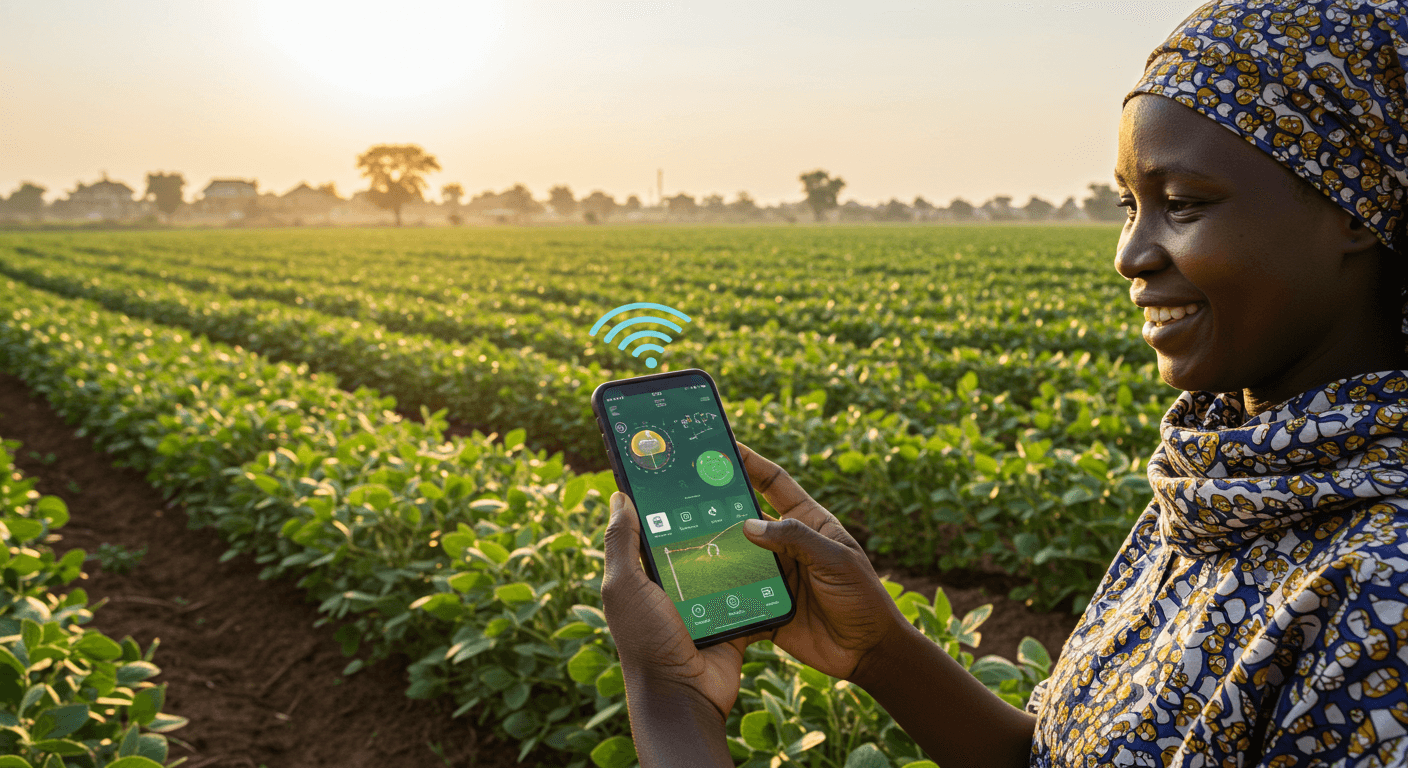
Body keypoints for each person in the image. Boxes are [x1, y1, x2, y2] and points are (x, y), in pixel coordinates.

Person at [601, 1, 1408, 765]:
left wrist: (672, 698)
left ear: (1357, 210)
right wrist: (880, 649)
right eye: (1128, 204)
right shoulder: (1230, 471)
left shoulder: (1386, 591)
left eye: (1185, 204)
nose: (1130, 255)